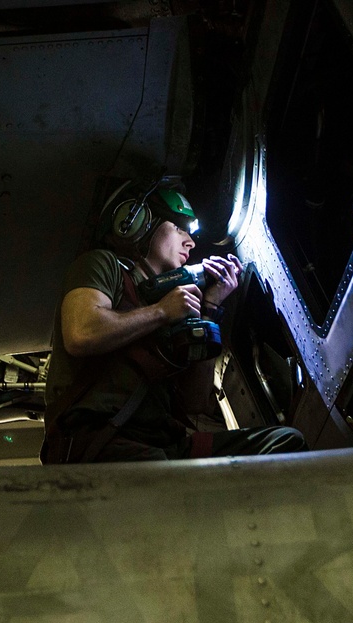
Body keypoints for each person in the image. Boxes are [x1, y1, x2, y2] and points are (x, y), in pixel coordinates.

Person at [41, 179, 307, 463]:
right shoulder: (103, 266)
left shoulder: (176, 308)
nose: (190, 242)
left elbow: (195, 401)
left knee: (286, 443)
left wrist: (209, 310)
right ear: (139, 224)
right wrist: (160, 312)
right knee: (161, 468)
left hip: (163, 444)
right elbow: (81, 333)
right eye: (179, 228)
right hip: (99, 443)